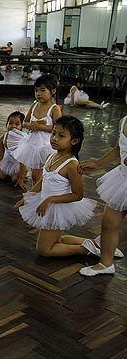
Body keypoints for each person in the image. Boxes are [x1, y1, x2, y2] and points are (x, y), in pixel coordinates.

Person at [15, 116, 97, 257]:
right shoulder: (52, 156)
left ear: (74, 141)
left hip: (57, 207)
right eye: (53, 133)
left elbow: (78, 195)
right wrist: (29, 196)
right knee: (57, 239)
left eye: (61, 136)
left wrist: (50, 199)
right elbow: (43, 180)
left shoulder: (72, 165)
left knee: (44, 250)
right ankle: (95, 243)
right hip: (48, 204)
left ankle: (88, 250)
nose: (54, 138)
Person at [77, 115, 127, 276]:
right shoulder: (124, 120)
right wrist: (98, 163)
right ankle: (106, 263)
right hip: (123, 179)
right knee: (109, 223)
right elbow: (120, 148)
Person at [13, 74, 62, 185]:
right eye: (36, 91)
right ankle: (31, 189)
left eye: (42, 90)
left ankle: (43, 193)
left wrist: (40, 127)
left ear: (53, 91)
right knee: (35, 174)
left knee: (45, 174)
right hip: (33, 143)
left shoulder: (54, 109)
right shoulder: (34, 105)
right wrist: (32, 125)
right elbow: (24, 122)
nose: (38, 94)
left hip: (46, 145)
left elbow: (58, 129)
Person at [0, 111, 28, 187]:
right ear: (6, 124)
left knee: (15, 179)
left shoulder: (23, 139)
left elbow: (23, 160)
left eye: (17, 124)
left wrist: (21, 178)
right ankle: (8, 173)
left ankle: (22, 175)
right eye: (10, 123)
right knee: (0, 176)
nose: (13, 126)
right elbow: (0, 154)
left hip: (20, 163)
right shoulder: (3, 137)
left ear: (22, 126)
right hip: (8, 160)